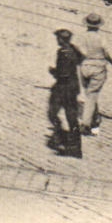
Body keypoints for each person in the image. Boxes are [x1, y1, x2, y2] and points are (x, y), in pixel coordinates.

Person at [76, 13, 112, 135]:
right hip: (98, 69)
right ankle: (85, 124)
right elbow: (111, 56)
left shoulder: (80, 37)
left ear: (86, 24)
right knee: (92, 95)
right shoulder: (102, 39)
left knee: (90, 94)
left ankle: (95, 120)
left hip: (84, 68)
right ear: (99, 26)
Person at [46, 28, 85, 158]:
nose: (57, 40)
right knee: (72, 118)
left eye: (58, 38)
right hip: (74, 87)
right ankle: (76, 149)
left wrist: (53, 72)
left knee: (52, 114)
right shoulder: (73, 49)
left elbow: (62, 74)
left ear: (61, 39)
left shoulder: (63, 52)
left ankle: (61, 139)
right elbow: (82, 58)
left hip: (63, 88)